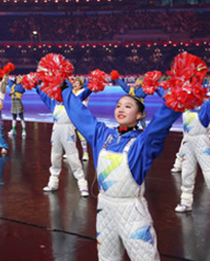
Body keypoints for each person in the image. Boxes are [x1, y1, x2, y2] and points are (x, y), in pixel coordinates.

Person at [63, 74, 178, 260]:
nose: (121, 109)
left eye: (128, 106)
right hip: (104, 210)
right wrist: (62, 87)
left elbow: (160, 124)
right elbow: (79, 114)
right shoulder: (103, 135)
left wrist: (176, 100)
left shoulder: (142, 142)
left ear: (139, 115)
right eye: (118, 105)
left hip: (132, 212)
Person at [173, 85, 210, 220]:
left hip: (202, 144)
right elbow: (168, 98)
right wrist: (155, 87)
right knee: (187, 173)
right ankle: (185, 202)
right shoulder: (185, 108)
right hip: (188, 143)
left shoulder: (206, 107)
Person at [36, 79, 89, 196]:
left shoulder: (72, 102)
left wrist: (92, 85)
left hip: (68, 130)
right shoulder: (54, 103)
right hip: (56, 131)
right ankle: (53, 183)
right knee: (55, 157)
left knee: (73, 158)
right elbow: (42, 94)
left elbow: (85, 93)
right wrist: (35, 85)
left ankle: (82, 185)